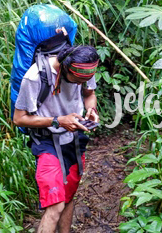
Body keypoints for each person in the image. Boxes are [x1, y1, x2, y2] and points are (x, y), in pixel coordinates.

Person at [13, 45, 99, 233]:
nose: (79, 84)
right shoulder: (35, 77)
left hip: (74, 140)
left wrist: (91, 110)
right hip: (47, 142)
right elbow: (19, 118)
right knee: (55, 205)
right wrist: (57, 121)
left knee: (68, 199)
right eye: (76, 81)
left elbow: (89, 94)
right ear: (64, 68)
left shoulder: (84, 67)